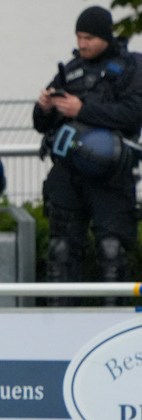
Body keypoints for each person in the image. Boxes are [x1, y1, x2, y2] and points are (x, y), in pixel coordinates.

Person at [33, 6, 142, 306]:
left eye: (89, 38)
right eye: (79, 37)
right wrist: (43, 107)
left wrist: (84, 110)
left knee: (112, 254)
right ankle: (59, 332)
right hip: (68, 174)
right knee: (60, 252)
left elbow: (134, 115)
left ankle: (113, 333)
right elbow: (41, 124)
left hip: (111, 176)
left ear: (105, 36)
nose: (82, 44)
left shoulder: (132, 68)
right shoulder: (70, 69)